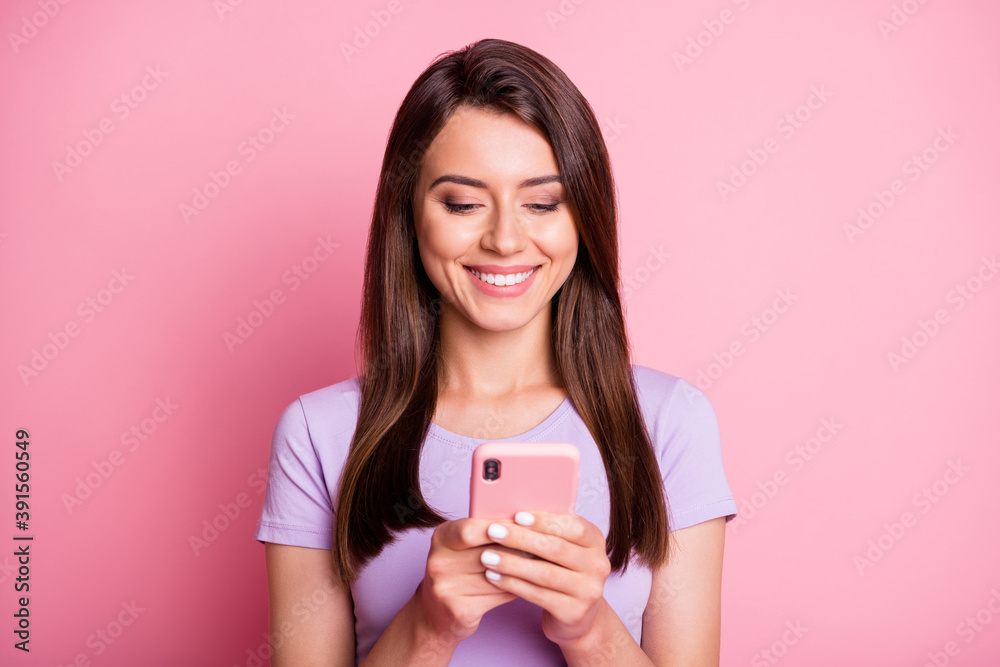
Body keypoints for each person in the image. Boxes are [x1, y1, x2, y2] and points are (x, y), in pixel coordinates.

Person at [255, 37, 737, 666]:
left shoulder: (671, 422)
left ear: (584, 216)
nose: (506, 239)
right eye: (462, 203)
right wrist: (429, 623)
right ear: (411, 216)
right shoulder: (318, 435)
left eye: (542, 203)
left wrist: (588, 629)